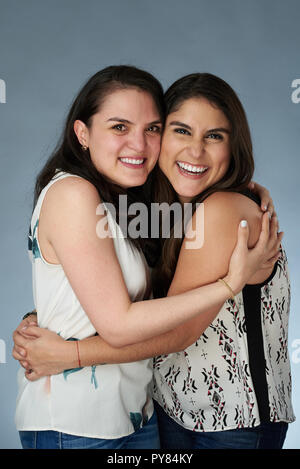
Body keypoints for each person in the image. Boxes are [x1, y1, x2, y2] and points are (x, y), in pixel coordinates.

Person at [13, 67, 281, 450]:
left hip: (150, 416)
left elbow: (152, 315)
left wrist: (61, 341)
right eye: (119, 127)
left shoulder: (136, 205)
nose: (138, 144)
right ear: (82, 133)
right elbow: (128, 322)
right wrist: (228, 285)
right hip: (81, 424)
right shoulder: (76, 193)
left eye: (151, 129)